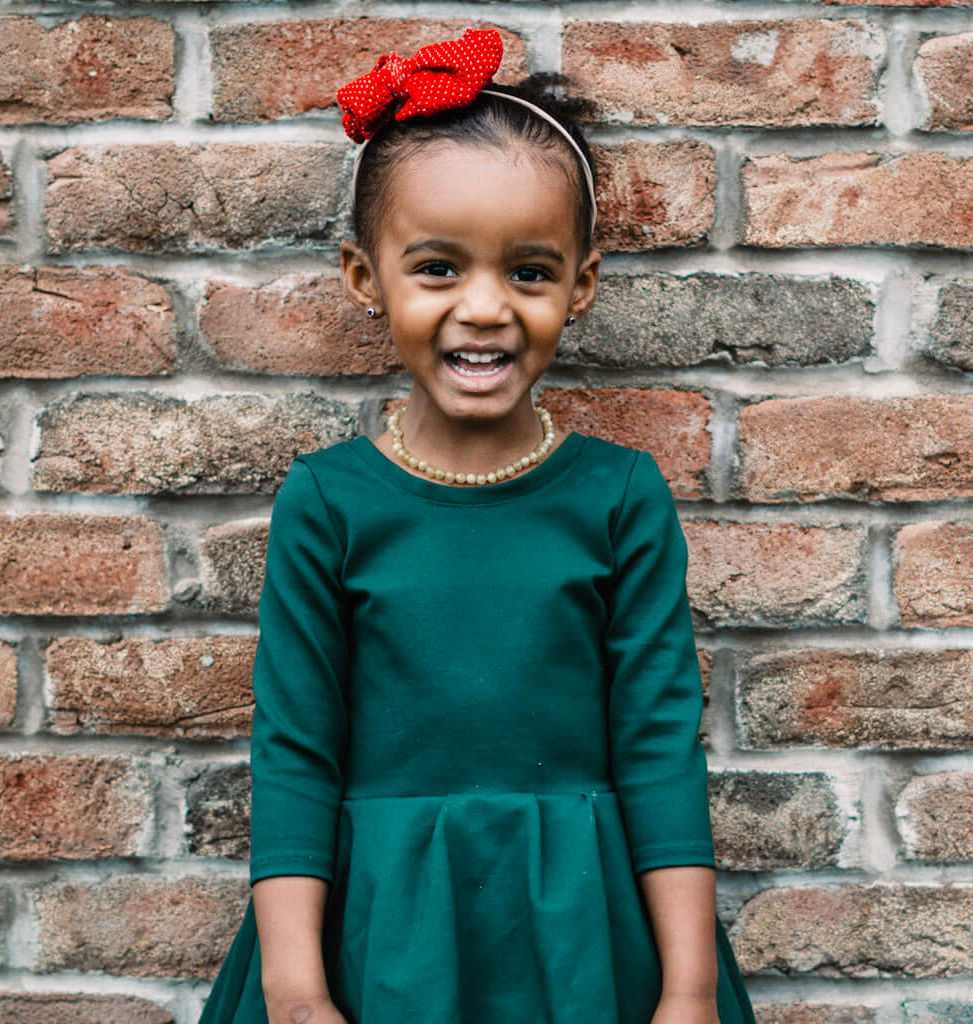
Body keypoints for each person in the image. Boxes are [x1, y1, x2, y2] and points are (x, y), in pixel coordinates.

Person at [197, 27, 758, 1024]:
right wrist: (293, 989)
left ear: (579, 285)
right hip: (381, 939)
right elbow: (295, 752)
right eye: (440, 268)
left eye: (530, 273)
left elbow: (658, 746)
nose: (486, 307)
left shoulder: (620, 499)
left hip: (585, 937)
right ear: (366, 278)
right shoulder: (328, 504)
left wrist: (687, 988)